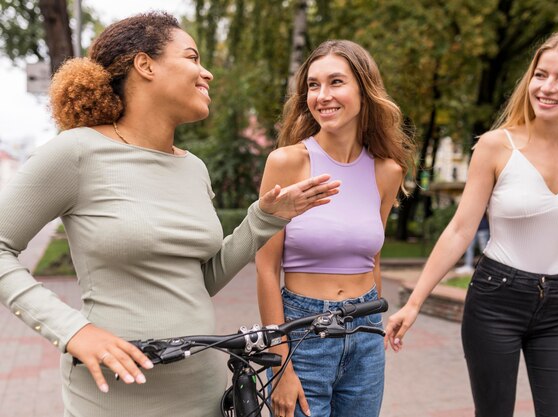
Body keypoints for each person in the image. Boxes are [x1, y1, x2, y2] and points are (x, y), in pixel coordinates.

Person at [0, 12, 340, 417]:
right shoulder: (75, 152)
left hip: (204, 389)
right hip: (115, 396)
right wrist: (73, 331)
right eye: (193, 57)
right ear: (145, 65)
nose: (207, 72)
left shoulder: (193, 167)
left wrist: (264, 218)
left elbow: (200, 282)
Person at [385, 30, 558, 417]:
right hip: (496, 299)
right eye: (541, 74)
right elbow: (461, 229)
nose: (547, 88)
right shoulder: (497, 146)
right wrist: (414, 303)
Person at [255, 40, 415, 417]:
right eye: (313, 85)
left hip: (366, 332)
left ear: (364, 88)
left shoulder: (387, 171)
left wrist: (372, 330)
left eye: (336, 82)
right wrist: (280, 365)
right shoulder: (287, 162)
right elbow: (264, 268)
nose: (322, 96)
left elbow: (371, 258)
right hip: (304, 333)